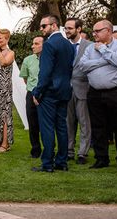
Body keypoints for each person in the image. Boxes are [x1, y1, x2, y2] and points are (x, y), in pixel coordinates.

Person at [78, 20, 117, 170]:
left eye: (97, 31)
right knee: (98, 127)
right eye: (93, 31)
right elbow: (82, 66)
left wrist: (102, 49)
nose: (94, 33)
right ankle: (101, 159)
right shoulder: (89, 48)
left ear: (108, 31)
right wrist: (104, 61)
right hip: (94, 93)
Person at [31, 15, 74, 172]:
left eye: (44, 26)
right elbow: (69, 69)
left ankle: (47, 163)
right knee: (61, 127)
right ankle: (62, 162)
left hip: (50, 92)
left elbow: (45, 72)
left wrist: (37, 92)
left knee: (47, 127)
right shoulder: (68, 45)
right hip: (64, 90)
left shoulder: (49, 44)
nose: (41, 29)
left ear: (54, 26)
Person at [64, 18, 92, 165]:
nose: (67, 31)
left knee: (84, 122)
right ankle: (69, 151)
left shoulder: (90, 46)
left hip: (83, 89)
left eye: (70, 28)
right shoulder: (63, 46)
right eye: (65, 28)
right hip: (66, 90)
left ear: (79, 29)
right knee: (68, 122)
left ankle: (83, 153)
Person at [20, 35, 44, 158]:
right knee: (32, 123)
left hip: (45, 95)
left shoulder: (50, 59)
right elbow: (25, 77)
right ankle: (35, 150)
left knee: (46, 123)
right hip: (31, 94)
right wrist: (32, 89)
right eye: (33, 43)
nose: (32, 46)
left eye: (36, 44)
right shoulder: (28, 60)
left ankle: (48, 149)